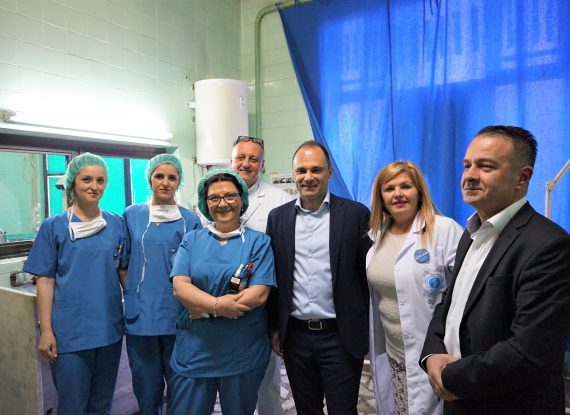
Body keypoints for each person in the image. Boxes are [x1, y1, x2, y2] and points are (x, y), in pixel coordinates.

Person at [420, 126, 570, 414]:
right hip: (459, 399)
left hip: (508, 404)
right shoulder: (470, 233)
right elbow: (449, 306)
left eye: (486, 166)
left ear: (522, 177)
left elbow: (529, 351)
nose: (470, 175)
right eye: (467, 165)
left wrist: (450, 377)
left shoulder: (549, 245)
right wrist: (431, 355)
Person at [266, 141, 372, 415]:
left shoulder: (356, 214)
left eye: (316, 170)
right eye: (301, 170)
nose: (308, 177)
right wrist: (274, 327)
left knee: (342, 410)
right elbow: (275, 279)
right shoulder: (277, 218)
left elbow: (366, 276)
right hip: (296, 337)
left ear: (330, 172)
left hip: (341, 336)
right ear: (294, 173)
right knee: (306, 410)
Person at [23, 152, 126, 415]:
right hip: (70, 335)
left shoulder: (116, 224)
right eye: (86, 179)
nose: (94, 186)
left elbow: (123, 272)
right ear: (73, 183)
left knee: (101, 406)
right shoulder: (53, 227)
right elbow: (45, 280)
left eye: (100, 180)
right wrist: (46, 331)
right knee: (72, 407)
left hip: (109, 331)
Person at [168, 169, 276, 415]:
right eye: (214, 198)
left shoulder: (259, 242)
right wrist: (218, 307)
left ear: (241, 199)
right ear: (205, 203)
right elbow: (180, 286)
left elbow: (259, 293)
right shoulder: (192, 240)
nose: (222, 203)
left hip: (242, 352)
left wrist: (204, 309)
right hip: (196, 351)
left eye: (230, 196)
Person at [366, 161, 463, 414]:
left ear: (419, 191)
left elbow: (468, 289)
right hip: (395, 354)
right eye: (389, 189)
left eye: (405, 186)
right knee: (402, 408)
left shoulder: (445, 230)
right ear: (381, 197)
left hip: (434, 355)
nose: (397, 194)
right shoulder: (377, 236)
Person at [120, 153, 202, 415]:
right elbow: (123, 265)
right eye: (159, 176)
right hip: (141, 318)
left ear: (179, 182)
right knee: (146, 387)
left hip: (177, 315)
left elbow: (197, 269)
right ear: (150, 179)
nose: (165, 182)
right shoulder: (132, 215)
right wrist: (136, 294)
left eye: (172, 177)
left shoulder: (190, 221)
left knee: (181, 385)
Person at [231, 135, 293, 415]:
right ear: (231, 162)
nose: (246, 164)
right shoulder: (215, 196)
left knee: (267, 376)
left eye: (253, 159)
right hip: (222, 300)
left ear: (263, 165)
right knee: (230, 376)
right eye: (240, 158)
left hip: (264, 300)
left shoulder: (280, 200)